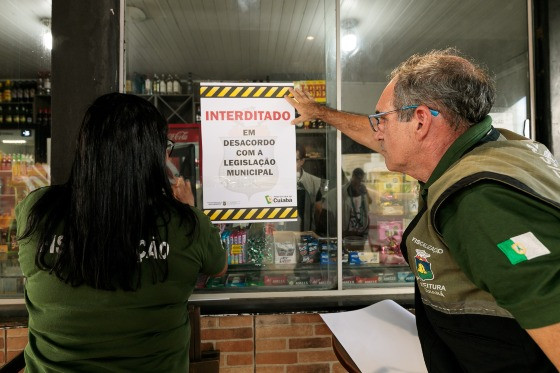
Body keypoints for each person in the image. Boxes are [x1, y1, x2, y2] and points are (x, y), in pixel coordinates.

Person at [285, 48, 560, 371]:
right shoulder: (487, 149)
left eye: (381, 119)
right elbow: (380, 138)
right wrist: (319, 111)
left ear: (419, 122)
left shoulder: (481, 202)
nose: (376, 132)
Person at [16, 93, 227, 372]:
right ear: (150, 156)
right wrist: (189, 210)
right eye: (164, 146)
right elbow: (219, 267)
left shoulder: (37, 211)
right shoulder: (186, 225)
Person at [322, 167, 371, 238]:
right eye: (356, 181)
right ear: (352, 178)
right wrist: (341, 234)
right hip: (343, 239)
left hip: (361, 238)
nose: (358, 185)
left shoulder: (364, 193)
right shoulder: (334, 195)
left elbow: (368, 213)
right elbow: (324, 225)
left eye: (361, 181)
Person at [293, 142, 323, 232]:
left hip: (306, 235)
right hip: (282, 234)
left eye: (294, 159)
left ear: (302, 161)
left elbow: (318, 211)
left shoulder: (314, 182)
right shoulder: (278, 183)